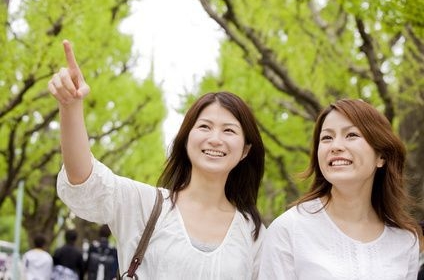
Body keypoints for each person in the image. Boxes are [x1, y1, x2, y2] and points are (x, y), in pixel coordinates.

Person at [47, 39, 265, 279]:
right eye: (204, 126)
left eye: (229, 130)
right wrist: (70, 107)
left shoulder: (252, 232)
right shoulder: (145, 205)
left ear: (245, 150)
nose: (215, 139)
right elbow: (84, 180)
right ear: (185, 140)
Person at [258, 99, 421, 280]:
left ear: (381, 156)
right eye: (327, 137)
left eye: (351, 135)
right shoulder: (289, 229)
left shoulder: (405, 239)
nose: (335, 146)